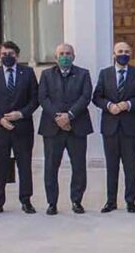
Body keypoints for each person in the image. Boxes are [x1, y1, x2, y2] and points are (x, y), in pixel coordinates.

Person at [0, 41, 39, 216]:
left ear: (17, 56)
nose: (7, 57)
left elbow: (35, 99)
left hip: (23, 127)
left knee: (25, 166)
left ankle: (26, 201)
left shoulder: (27, 73)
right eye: (4, 54)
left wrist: (21, 113)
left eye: (11, 53)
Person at [93, 41, 135, 213]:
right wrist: (109, 105)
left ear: (130, 54)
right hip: (110, 127)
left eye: (126, 51)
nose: (123, 54)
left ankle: (130, 200)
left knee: (130, 166)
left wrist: (129, 104)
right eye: (120, 51)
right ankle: (111, 201)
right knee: (112, 166)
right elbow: (97, 97)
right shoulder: (105, 74)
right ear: (114, 54)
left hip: (130, 127)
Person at [38, 43, 94, 215]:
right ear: (55, 58)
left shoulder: (83, 74)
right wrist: (58, 117)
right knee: (51, 167)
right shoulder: (46, 75)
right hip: (52, 128)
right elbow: (43, 97)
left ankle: (76, 201)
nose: (65, 56)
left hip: (77, 126)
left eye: (68, 53)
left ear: (74, 56)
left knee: (78, 166)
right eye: (61, 54)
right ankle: (52, 203)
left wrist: (69, 115)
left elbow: (85, 97)